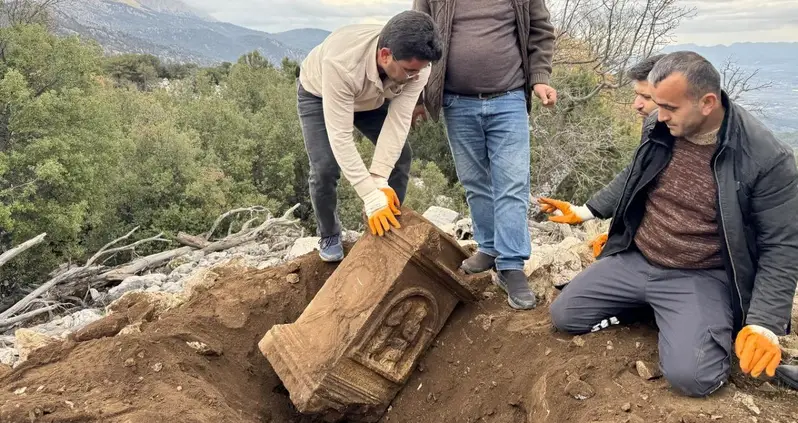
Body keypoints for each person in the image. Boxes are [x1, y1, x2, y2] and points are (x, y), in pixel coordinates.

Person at [541, 51, 798, 397]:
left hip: (700, 274)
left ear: (707, 103)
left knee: (693, 378)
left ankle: (693, 322)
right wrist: (586, 211)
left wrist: (763, 323)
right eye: (656, 104)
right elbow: (634, 175)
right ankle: (656, 309)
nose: (658, 115)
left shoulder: (766, 158)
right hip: (638, 257)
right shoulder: (660, 125)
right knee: (566, 316)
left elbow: (781, 246)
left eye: (669, 107)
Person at [413, 0, 557, 310]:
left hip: (509, 98)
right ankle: (489, 247)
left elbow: (541, 30)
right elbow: (419, 33)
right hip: (456, 102)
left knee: (512, 183)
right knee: (474, 181)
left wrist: (540, 78)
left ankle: (511, 265)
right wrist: (418, 96)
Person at [296, 11, 443, 262]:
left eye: (419, 70)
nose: (415, 77)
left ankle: (387, 228)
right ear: (385, 55)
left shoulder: (419, 67)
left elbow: (398, 122)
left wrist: (379, 180)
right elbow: (341, 137)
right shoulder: (341, 63)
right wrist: (370, 196)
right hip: (320, 94)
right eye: (409, 71)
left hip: (372, 97)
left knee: (400, 157)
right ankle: (329, 234)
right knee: (324, 168)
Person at [542, 54, 665, 257]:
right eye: (637, 95)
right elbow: (636, 171)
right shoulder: (655, 126)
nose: (636, 104)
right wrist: (583, 212)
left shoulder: (687, 143)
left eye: (647, 97)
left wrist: (625, 237)